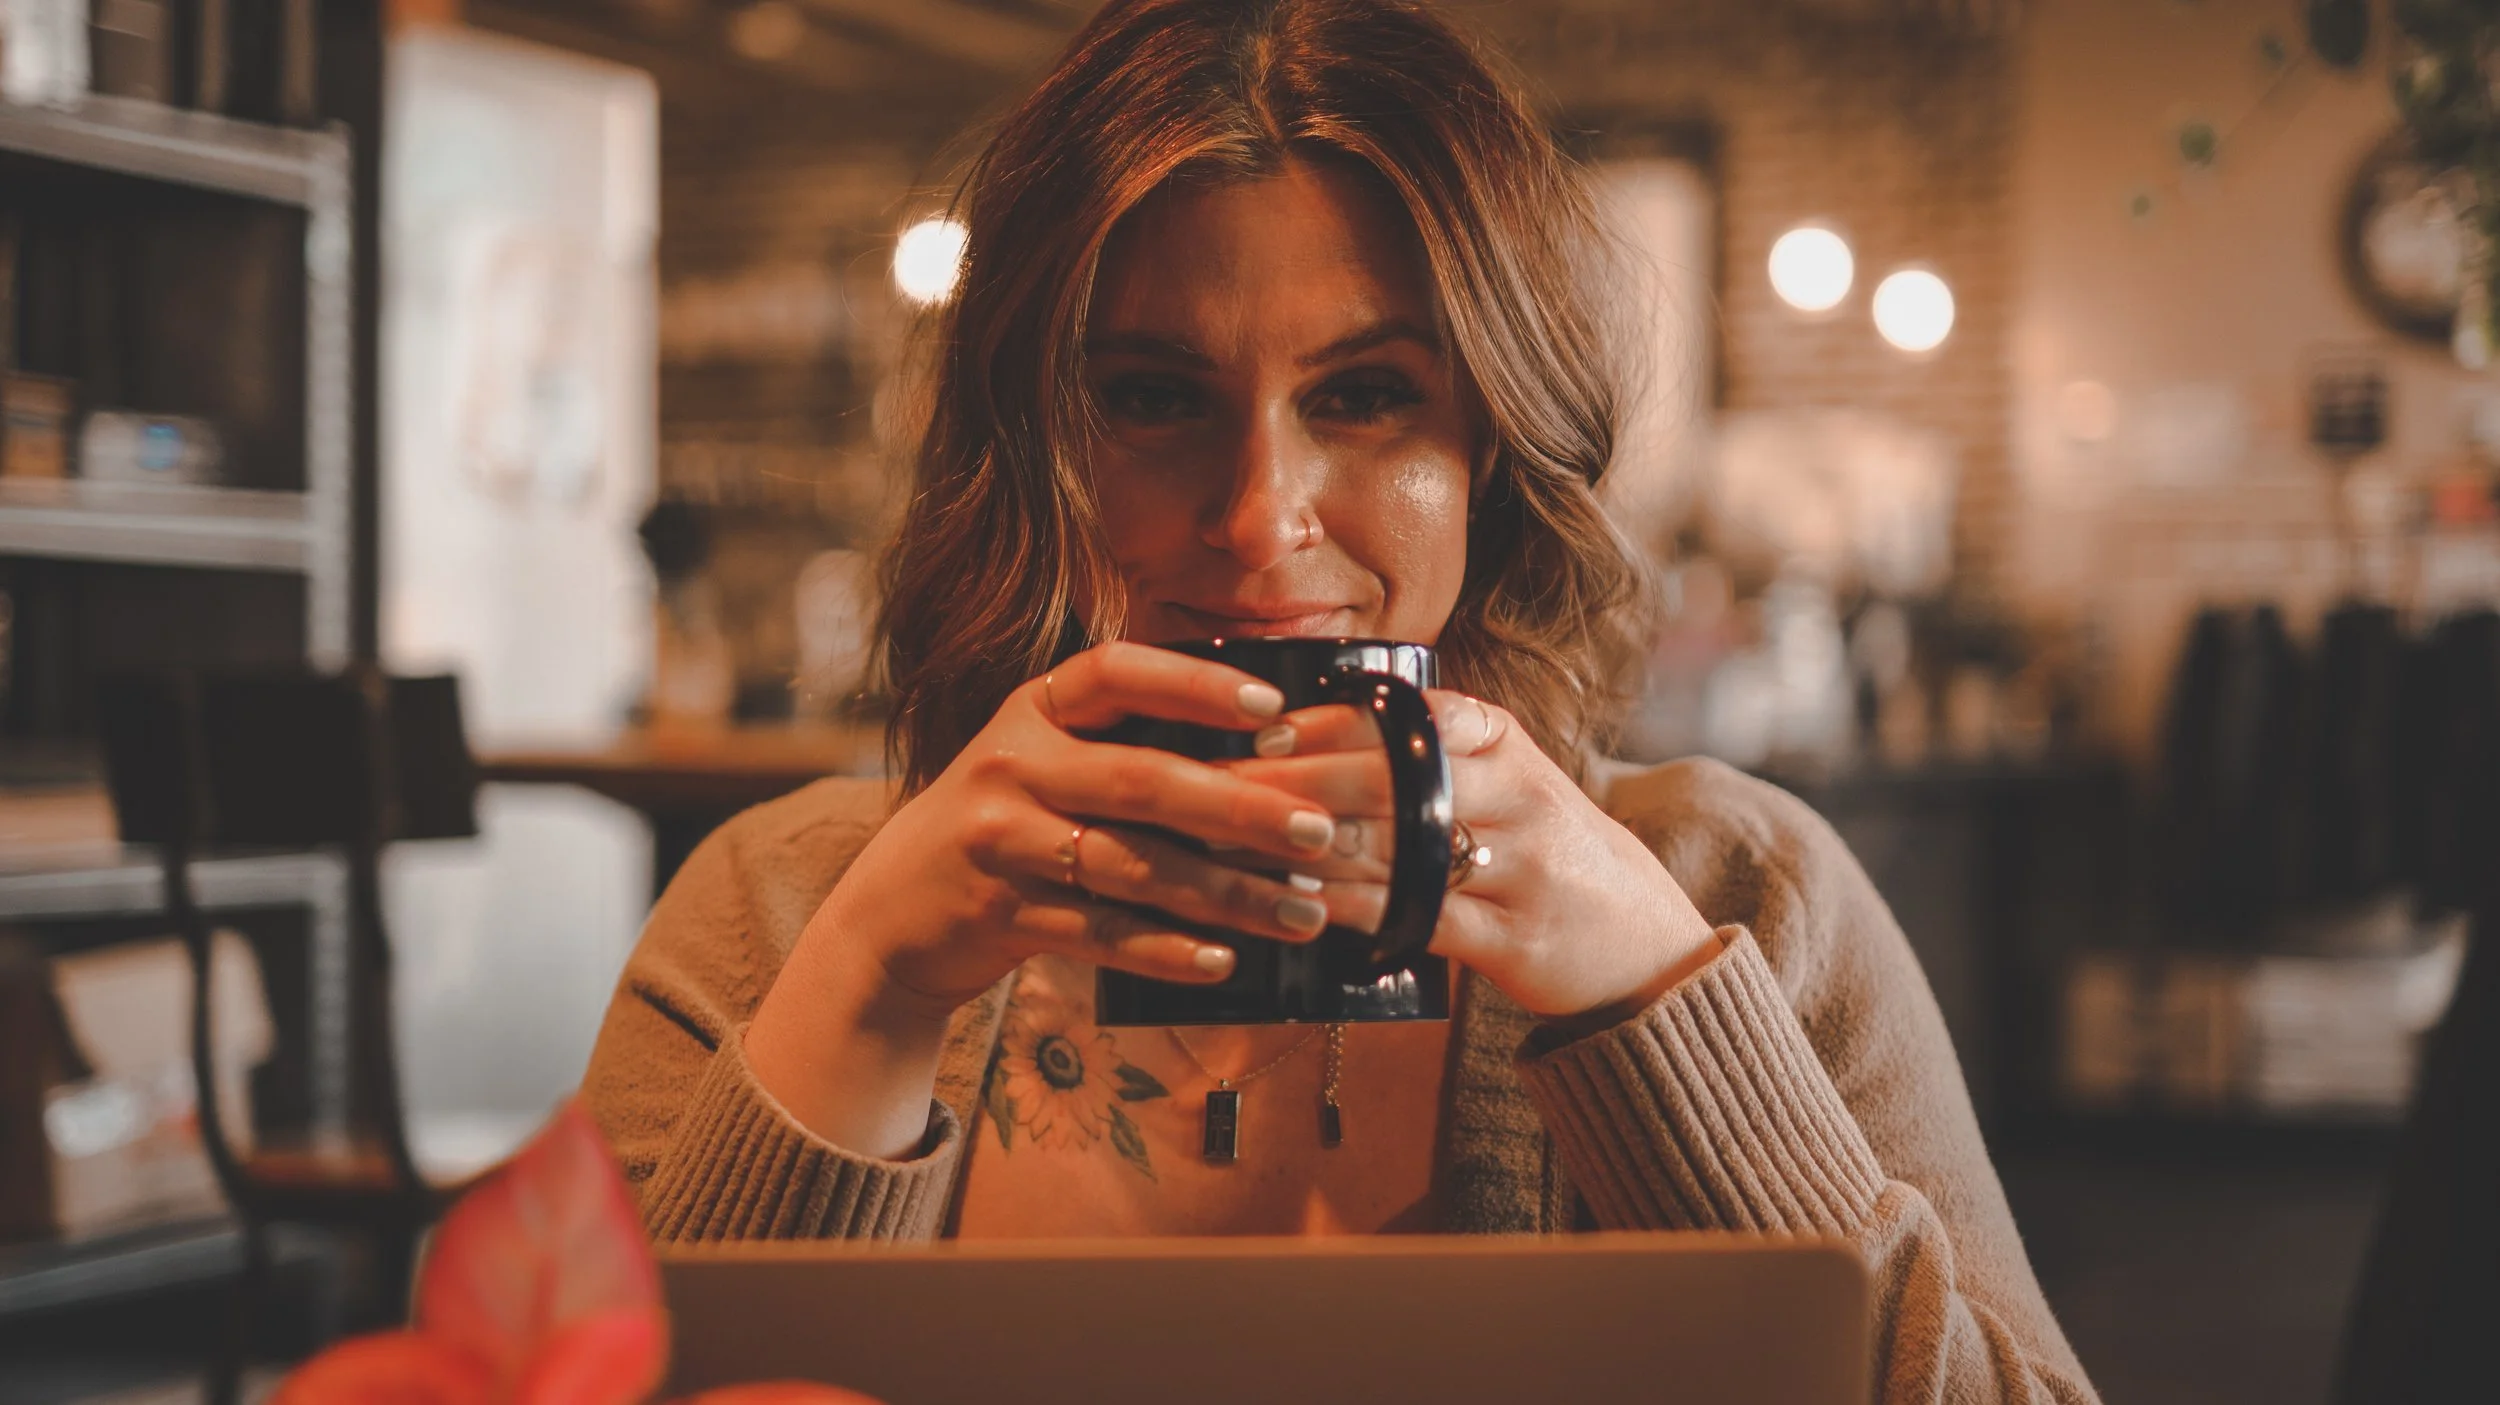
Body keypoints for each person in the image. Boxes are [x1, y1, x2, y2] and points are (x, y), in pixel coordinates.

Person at [581, 1, 2099, 1400]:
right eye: (1153, 396)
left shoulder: (1736, 902)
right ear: (1032, 432)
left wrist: (1649, 997)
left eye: (1367, 397)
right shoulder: (781, 914)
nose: (1258, 519)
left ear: (1495, 446)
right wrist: (868, 986)